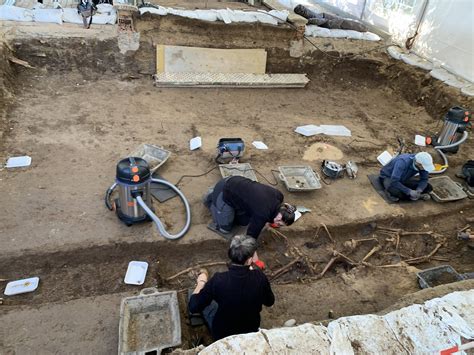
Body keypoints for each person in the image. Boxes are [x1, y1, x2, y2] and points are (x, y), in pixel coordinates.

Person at [188, 235, 275, 341]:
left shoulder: (219, 280)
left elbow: (193, 306)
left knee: (204, 300)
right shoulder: (259, 278)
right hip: (250, 332)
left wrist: (201, 282)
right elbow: (270, 302)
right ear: (249, 260)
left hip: (223, 335)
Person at [204, 176, 296, 238]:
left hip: (238, 184)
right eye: (279, 223)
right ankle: (211, 198)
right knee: (225, 229)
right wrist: (253, 258)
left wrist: (271, 221)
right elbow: (250, 238)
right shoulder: (262, 214)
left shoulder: (279, 196)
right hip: (225, 190)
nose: (277, 225)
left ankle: (219, 200)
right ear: (280, 216)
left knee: (243, 222)